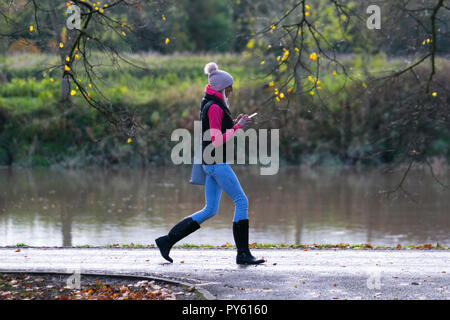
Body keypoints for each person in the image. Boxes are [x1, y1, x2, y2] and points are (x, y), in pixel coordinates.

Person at [155, 62, 265, 265]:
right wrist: (238, 128)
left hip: (211, 162)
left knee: (210, 209)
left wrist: (234, 124)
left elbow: (217, 132)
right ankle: (242, 254)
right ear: (222, 88)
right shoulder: (214, 107)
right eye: (229, 90)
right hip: (215, 162)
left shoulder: (212, 102)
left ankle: (166, 241)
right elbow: (216, 139)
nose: (230, 93)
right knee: (242, 201)